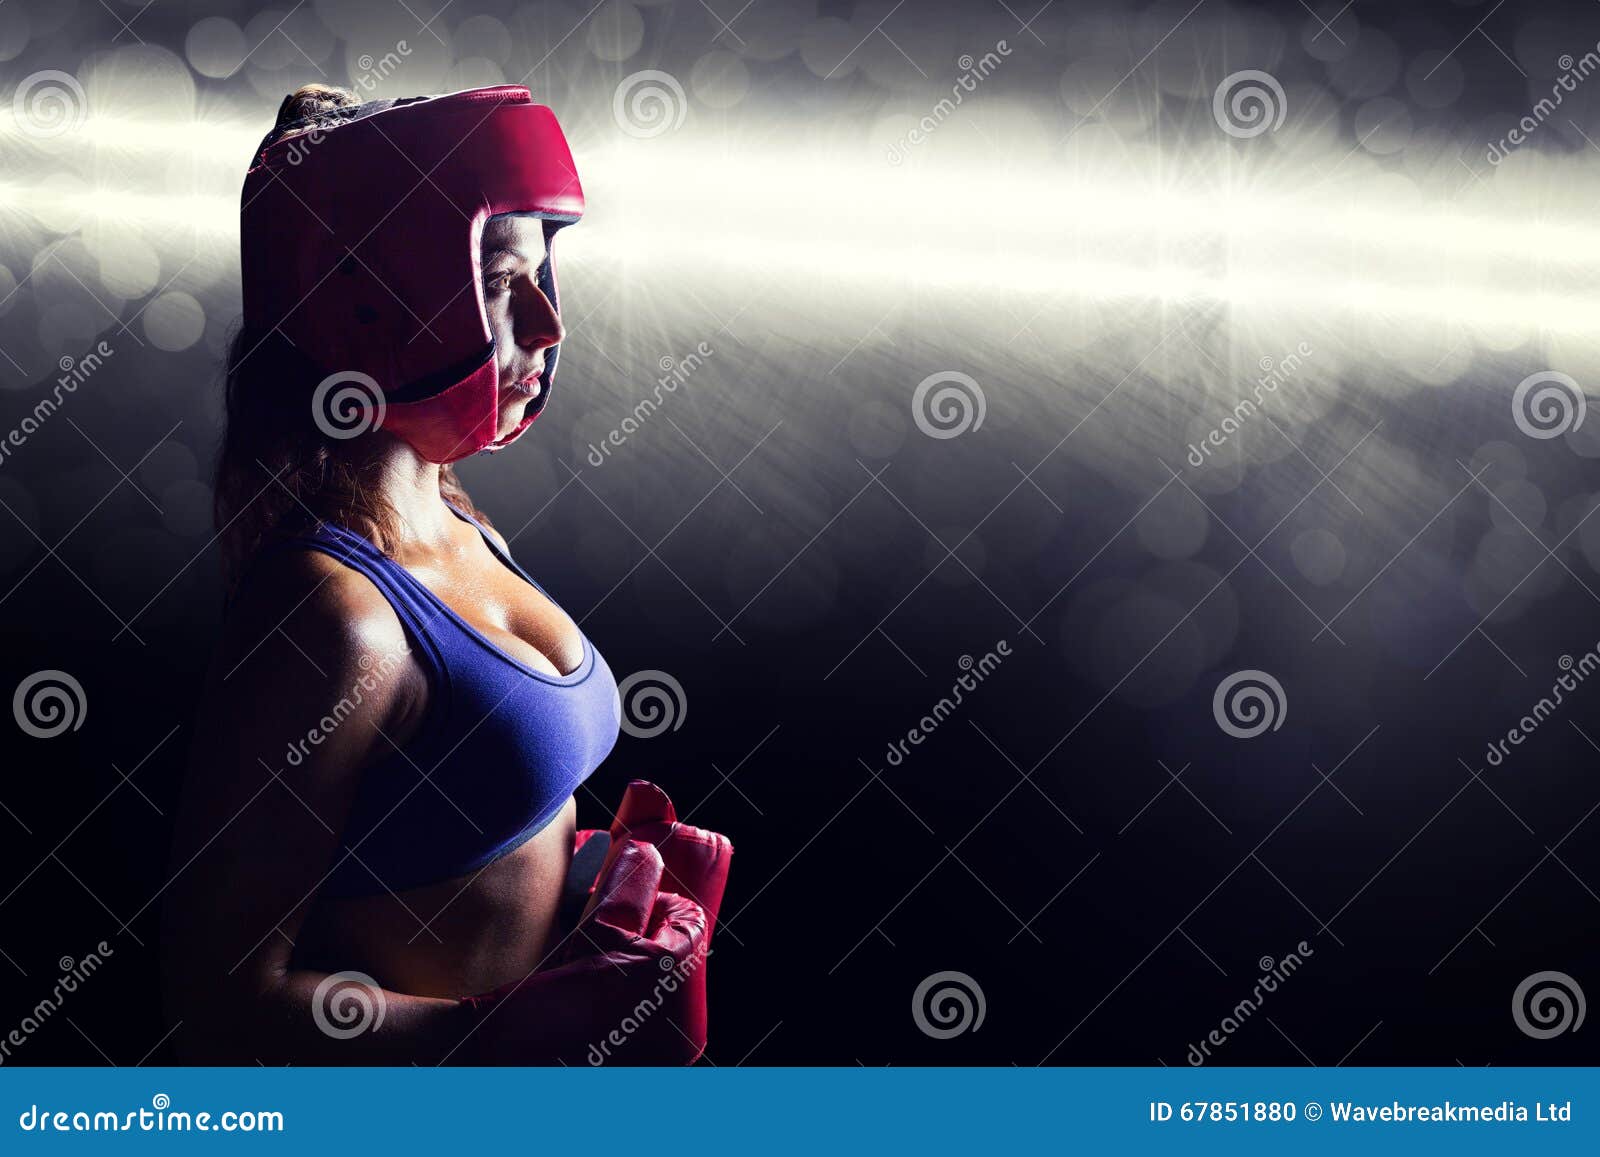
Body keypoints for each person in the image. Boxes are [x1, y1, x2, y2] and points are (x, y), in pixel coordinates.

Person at [160, 84, 729, 1065]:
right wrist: (496, 1039)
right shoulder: (332, 614)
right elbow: (217, 999)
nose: (545, 323)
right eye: (502, 280)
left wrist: (593, 902)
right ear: (371, 303)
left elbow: (450, 825)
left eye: (539, 275)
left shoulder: (453, 511)